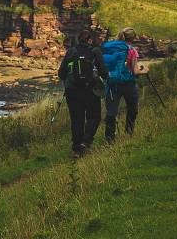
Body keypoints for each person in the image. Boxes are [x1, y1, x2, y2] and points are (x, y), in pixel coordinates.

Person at [57, 28, 108, 156]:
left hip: (73, 91)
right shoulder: (95, 51)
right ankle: (86, 141)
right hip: (91, 90)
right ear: (90, 40)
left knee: (76, 119)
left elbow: (61, 73)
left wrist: (68, 81)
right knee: (94, 116)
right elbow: (103, 72)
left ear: (78, 40)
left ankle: (76, 148)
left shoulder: (71, 51)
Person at [102, 28, 147, 143]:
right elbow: (135, 71)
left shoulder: (111, 48)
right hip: (128, 84)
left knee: (112, 111)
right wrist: (145, 70)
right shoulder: (131, 50)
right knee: (132, 108)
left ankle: (109, 139)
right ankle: (129, 132)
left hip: (112, 83)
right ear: (133, 38)